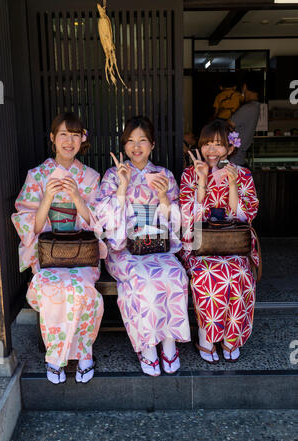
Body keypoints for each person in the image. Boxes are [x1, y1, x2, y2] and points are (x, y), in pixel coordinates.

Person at [12, 112, 107, 384]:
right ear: (52, 138)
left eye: (75, 135)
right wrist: (48, 199)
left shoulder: (89, 177)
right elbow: (28, 222)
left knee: (83, 291)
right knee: (55, 290)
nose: (69, 141)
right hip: (49, 255)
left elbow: (96, 223)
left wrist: (77, 198)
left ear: (82, 140)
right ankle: (56, 356)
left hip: (81, 254)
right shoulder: (37, 175)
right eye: (63, 134)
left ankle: (84, 353)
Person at [96, 116, 191, 376]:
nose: (136, 146)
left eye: (142, 141)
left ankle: (169, 343)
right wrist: (122, 188)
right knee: (142, 279)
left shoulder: (165, 176)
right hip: (125, 249)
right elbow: (103, 217)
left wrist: (162, 197)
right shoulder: (113, 175)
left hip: (157, 246)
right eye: (130, 141)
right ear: (124, 145)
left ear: (153, 145)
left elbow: (177, 221)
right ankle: (148, 347)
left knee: (174, 274)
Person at [179, 119, 259, 363]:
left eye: (218, 144)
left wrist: (233, 183)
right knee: (209, 276)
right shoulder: (190, 173)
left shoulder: (243, 174)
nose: (211, 150)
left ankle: (230, 339)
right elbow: (187, 218)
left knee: (240, 275)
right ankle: (206, 337)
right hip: (200, 245)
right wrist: (202, 183)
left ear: (231, 148)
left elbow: (246, 216)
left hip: (233, 244)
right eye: (207, 144)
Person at [229, 72, 262, 166]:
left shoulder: (248, 108)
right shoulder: (256, 107)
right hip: (239, 159)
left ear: (244, 86)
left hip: (233, 160)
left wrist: (232, 145)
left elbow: (228, 126)